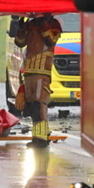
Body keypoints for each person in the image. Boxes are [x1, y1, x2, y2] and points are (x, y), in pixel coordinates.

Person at [9, 13, 62, 148]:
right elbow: (20, 43)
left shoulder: (54, 24)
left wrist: (44, 25)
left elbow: (51, 40)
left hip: (42, 71)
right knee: (31, 106)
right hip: (29, 70)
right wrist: (21, 29)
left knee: (39, 105)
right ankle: (37, 136)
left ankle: (42, 137)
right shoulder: (31, 24)